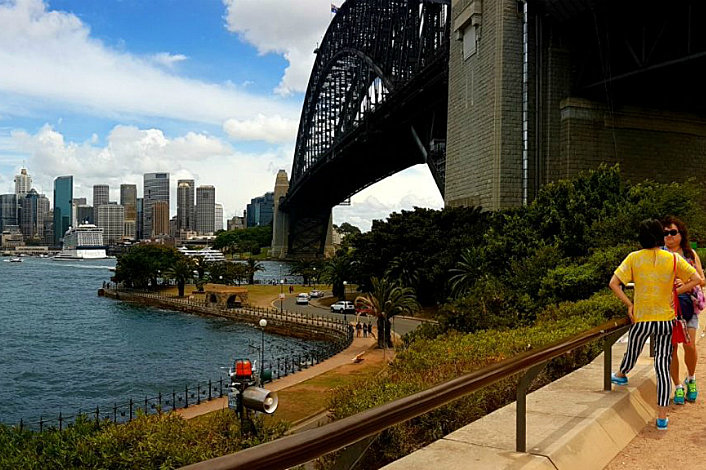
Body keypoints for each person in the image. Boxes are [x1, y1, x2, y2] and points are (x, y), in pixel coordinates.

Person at [609, 219, 700, 430]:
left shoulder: (633, 258)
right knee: (661, 366)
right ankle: (661, 417)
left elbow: (614, 283)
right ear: (660, 236)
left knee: (633, 348)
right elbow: (696, 279)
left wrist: (630, 304)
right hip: (665, 320)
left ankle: (622, 374)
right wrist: (674, 292)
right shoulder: (673, 259)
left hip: (642, 318)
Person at [663, 215, 705, 404]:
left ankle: (691, 378)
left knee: (689, 345)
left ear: (681, 234)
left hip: (688, 306)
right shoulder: (660, 254)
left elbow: (702, 280)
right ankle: (678, 385)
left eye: (673, 232)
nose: (669, 236)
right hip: (668, 308)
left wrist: (685, 282)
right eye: (665, 233)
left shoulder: (689, 254)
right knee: (671, 348)